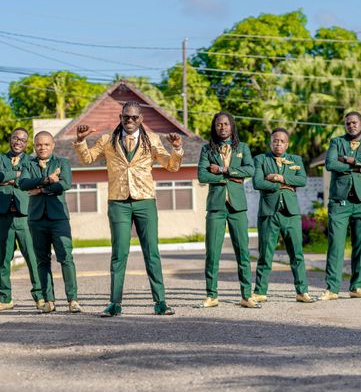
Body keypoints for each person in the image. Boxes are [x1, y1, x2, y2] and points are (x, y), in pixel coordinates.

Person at [74, 101, 183, 317]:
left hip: (145, 201)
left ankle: (160, 301)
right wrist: (80, 140)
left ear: (141, 119)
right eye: (126, 117)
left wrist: (177, 148)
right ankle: (115, 303)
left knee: (152, 252)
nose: (130, 121)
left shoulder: (151, 140)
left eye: (134, 117)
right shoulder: (108, 139)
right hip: (118, 201)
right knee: (119, 253)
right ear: (120, 117)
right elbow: (87, 159)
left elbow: (172, 166)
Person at [197, 111, 258, 309]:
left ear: (232, 126)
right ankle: (212, 295)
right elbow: (202, 176)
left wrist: (224, 170)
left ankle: (246, 295)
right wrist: (230, 178)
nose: (222, 127)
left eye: (225, 124)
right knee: (212, 253)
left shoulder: (243, 148)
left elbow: (250, 170)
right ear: (214, 128)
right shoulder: (207, 149)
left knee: (243, 252)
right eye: (218, 125)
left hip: (237, 207)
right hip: (216, 207)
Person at [320, 112, 361, 301]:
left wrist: (350, 160)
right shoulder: (336, 142)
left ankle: (357, 286)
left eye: (354, 122)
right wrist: (358, 166)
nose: (351, 126)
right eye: (348, 123)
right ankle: (332, 289)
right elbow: (330, 164)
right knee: (336, 245)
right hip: (340, 202)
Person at [19, 131, 81, 313]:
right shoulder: (27, 163)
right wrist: (46, 180)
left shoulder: (62, 162)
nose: (42, 148)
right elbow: (23, 184)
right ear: (34, 147)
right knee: (42, 260)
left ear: (52, 146)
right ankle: (49, 300)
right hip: (36, 219)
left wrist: (39, 190)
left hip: (58, 218)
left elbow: (65, 184)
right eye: (39, 145)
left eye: (46, 144)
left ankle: (73, 300)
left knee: (66, 258)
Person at [252, 128, 315, 304]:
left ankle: (302, 291)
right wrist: (283, 185)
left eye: (281, 141)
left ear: (287, 144)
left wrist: (278, 178)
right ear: (270, 142)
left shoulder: (296, 160)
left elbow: (302, 180)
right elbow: (258, 183)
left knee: (297, 254)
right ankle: (260, 291)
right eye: (275, 141)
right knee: (265, 254)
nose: (278, 143)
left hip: (290, 213)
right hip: (268, 213)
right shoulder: (260, 159)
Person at [0, 127, 43, 311]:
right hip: (2, 216)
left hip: (25, 216)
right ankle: (5, 299)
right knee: (3, 259)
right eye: (15, 138)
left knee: (32, 258)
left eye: (22, 140)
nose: (18, 142)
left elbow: (35, 179)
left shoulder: (32, 161)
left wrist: (8, 179)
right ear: (10, 139)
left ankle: (40, 297)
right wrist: (18, 175)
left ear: (26, 144)